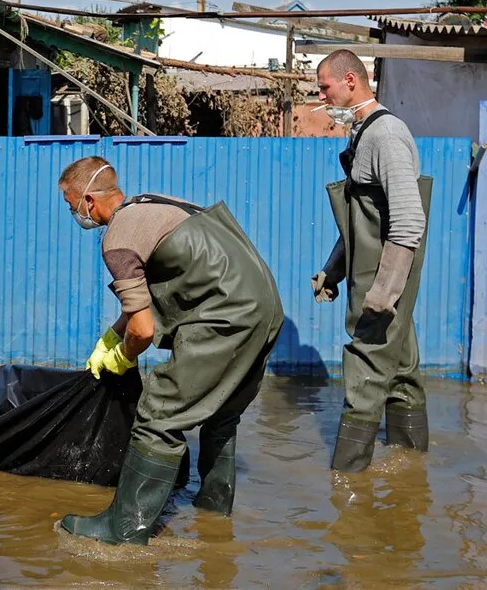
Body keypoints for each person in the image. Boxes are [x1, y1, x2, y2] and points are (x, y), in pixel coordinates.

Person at [56, 157, 284, 546]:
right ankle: (213, 516)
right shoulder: (155, 204)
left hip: (225, 317)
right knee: (222, 413)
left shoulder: (118, 237)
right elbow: (139, 307)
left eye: (70, 203)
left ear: (89, 201)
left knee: (158, 414)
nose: (72, 212)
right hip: (265, 308)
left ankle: (125, 527)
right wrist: (111, 337)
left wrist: (124, 355)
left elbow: (143, 330)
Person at [311, 49, 432, 473]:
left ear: (349, 80)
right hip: (373, 277)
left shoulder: (386, 135)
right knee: (400, 372)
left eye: (324, 86)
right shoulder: (362, 134)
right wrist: (333, 268)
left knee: (364, 370)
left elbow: (408, 219)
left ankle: (347, 484)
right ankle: (411, 471)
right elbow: (362, 219)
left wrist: (384, 293)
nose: (320, 95)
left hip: (382, 285)